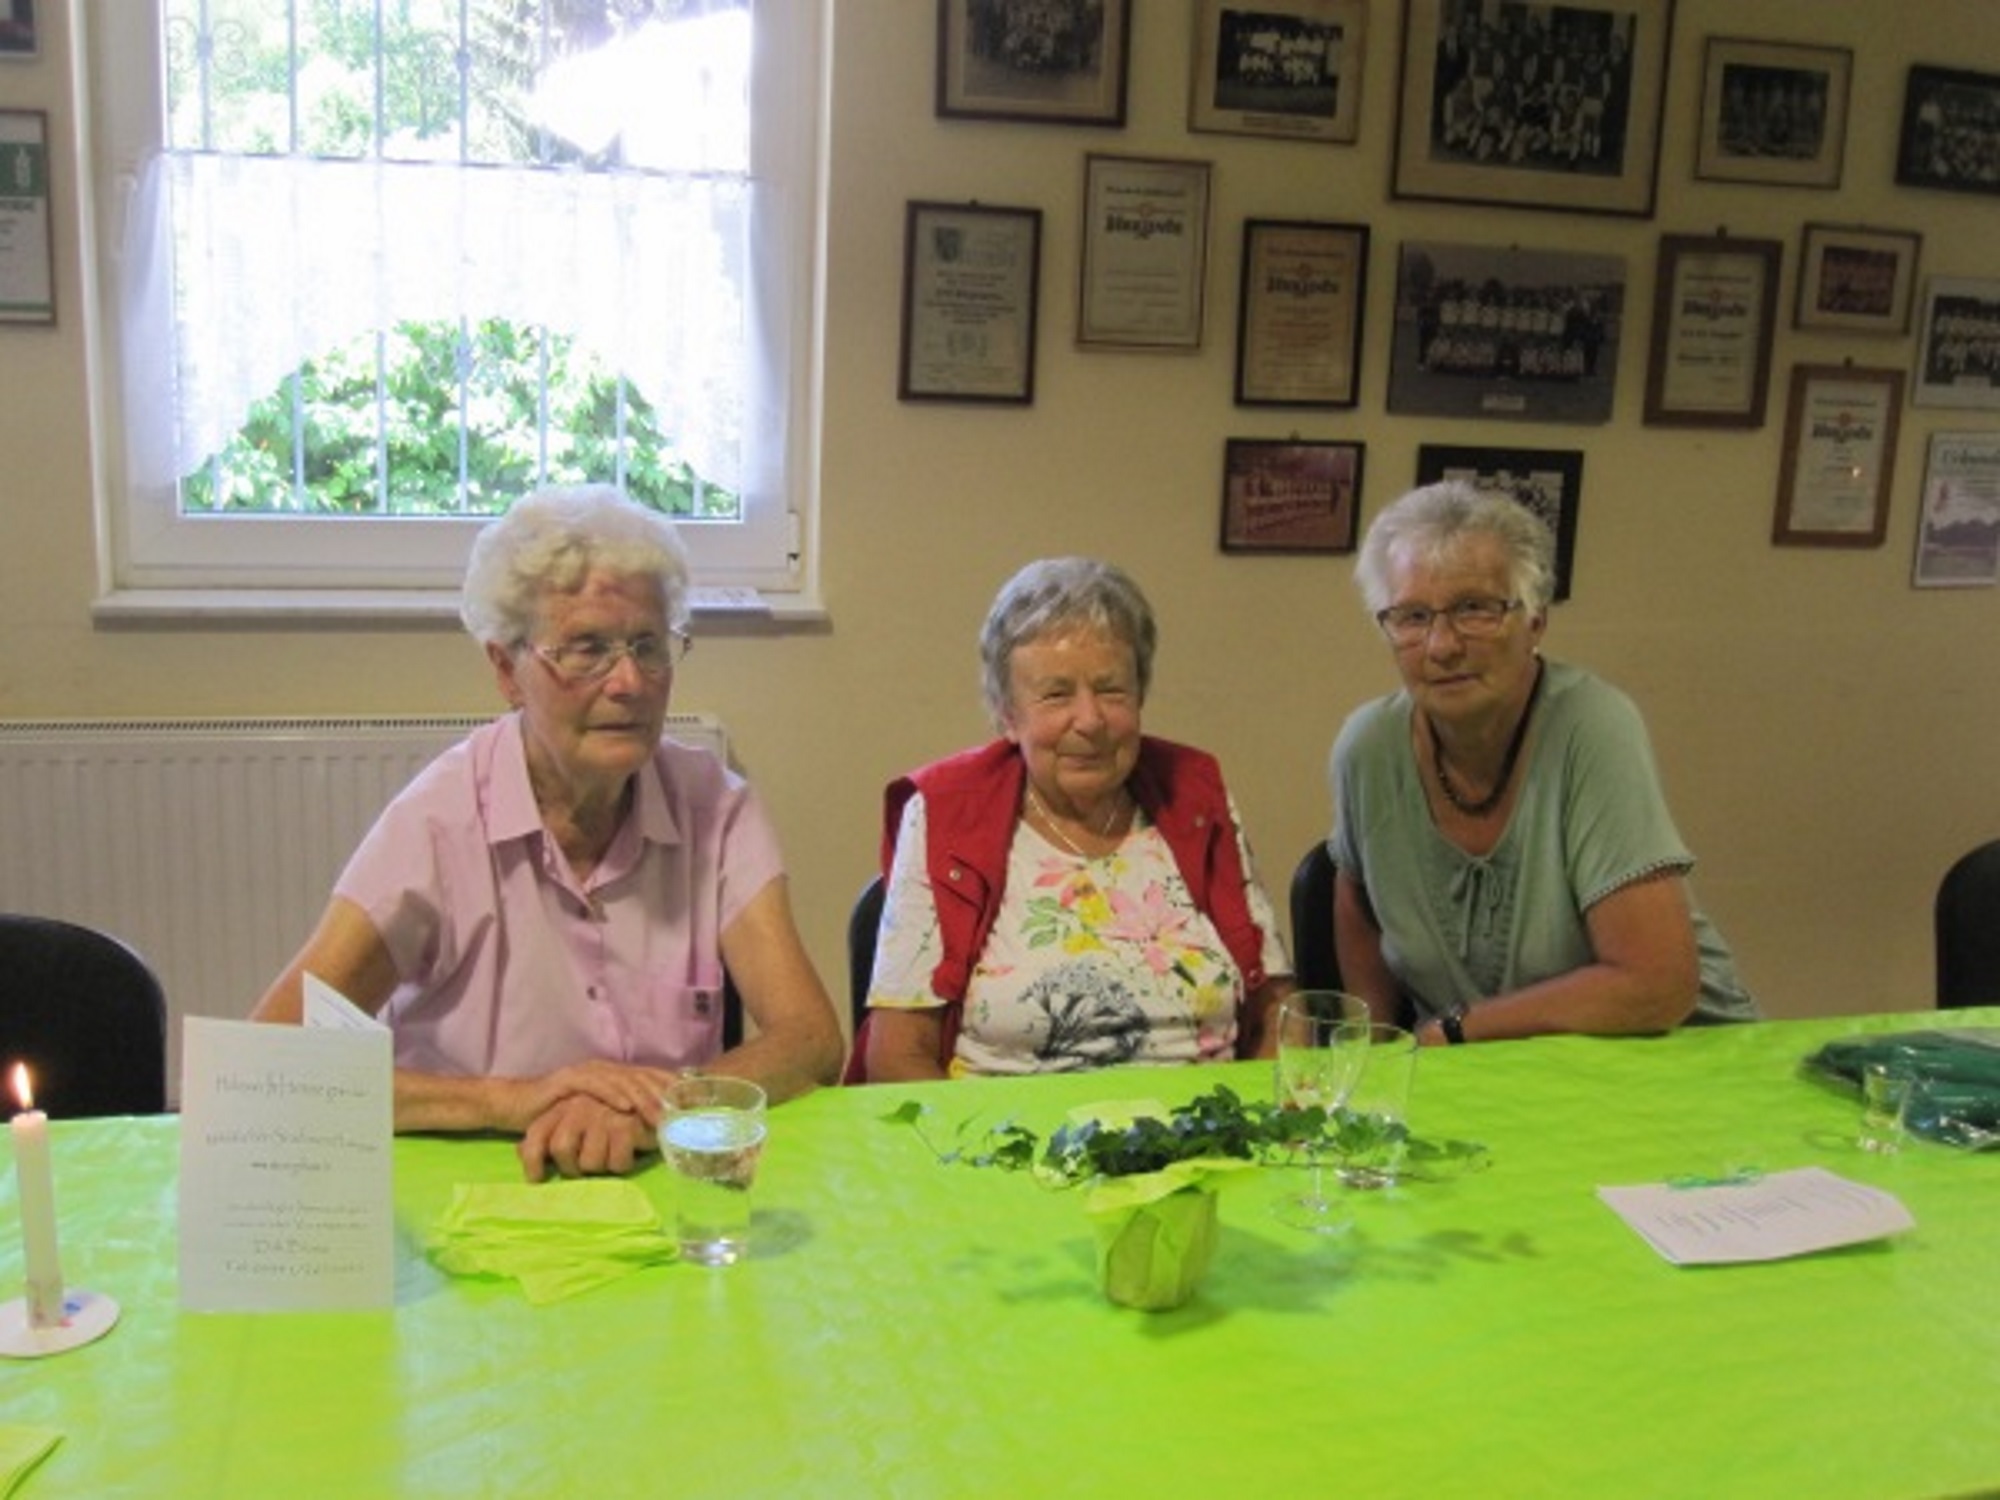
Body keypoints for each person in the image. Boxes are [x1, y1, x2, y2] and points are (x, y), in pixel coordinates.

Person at [252, 485, 843, 1177]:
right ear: (507, 669)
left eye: (649, 646)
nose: (628, 682)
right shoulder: (437, 822)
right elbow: (272, 1059)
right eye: (587, 649)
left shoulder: (716, 806)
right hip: (473, 1182)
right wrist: (516, 1100)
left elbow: (810, 1038)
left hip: (659, 1176)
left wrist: (659, 1105)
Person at [1328, 482, 1757, 1045]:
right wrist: (1371, 1053)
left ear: (1535, 621)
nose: (1441, 645)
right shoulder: (1369, 747)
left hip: (1666, 1051)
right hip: (1485, 1068)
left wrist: (1456, 1030)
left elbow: (1654, 984)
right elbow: (1358, 904)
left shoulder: (1591, 726)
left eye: (1474, 609)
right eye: (1412, 616)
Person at [860, 557, 1294, 1081]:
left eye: (1112, 690)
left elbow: (1280, 1016)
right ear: (1007, 715)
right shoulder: (946, 813)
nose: (1090, 720)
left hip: (1204, 1123)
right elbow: (896, 1055)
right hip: (1006, 1128)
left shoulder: (1195, 796)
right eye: (1056, 694)